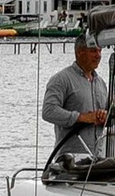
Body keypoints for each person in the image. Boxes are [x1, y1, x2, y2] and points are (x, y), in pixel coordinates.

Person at [41, 33, 110, 163]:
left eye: (100, 51)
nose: (98, 55)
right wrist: (81, 118)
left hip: (97, 159)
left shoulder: (101, 83)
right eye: (93, 51)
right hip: (69, 161)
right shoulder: (61, 79)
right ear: (79, 52)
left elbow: (112, 118)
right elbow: (48, 111)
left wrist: (105, 116)